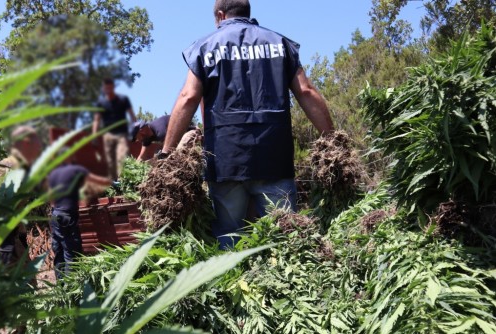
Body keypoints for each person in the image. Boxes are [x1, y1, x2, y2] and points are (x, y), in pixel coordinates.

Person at [161, 0, 334, 249]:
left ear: (220, 16)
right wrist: (333, 141)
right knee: (284, 237)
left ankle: (234, 285)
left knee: (230, 238)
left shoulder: (205, 47)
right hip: (274, 158)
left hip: (226, 160)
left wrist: (167, 151)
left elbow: (189, 97)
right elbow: (305, 92)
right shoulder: (280, 44)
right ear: (247, 13)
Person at [0, 125, 44, 264]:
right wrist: (6, 245)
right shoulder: (7, 167)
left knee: (26, 281)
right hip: (3, 237)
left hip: (15, 234)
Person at [48, 159, 111, 278]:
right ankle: (72, 286)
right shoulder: (77, 169)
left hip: (55, 215)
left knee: (59, 250)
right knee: (71, 252)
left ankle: (61, 287)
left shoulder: (53, 173)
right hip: (67, 216)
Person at [93, 78, 138, 180]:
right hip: (108, 135)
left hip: (122, 134)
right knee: (109, 161)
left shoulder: (123, 99)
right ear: (104, 89)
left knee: (121, 157)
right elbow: (96, 120)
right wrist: (94, 135)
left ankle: (122, 182)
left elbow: (131, 115)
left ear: (113, 87)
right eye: (106, 88)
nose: (108, 90)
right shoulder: (101, 102)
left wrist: (136, 130)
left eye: (110, 87)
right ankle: (113, 184)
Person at [130, 115, 198, 161]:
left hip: (191, 131)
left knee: (177, 153)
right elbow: (142, 157)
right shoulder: (147, 137)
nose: (138, 140)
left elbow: (170, 149)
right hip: (178, 137)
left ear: (141, 131)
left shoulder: (160, 131)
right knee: (162, 156)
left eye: (136, 138)